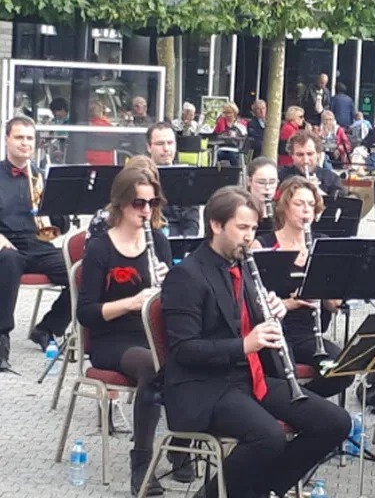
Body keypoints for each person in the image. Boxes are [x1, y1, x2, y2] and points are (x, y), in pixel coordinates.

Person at [162, 186, 350, 498]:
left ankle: (261, 488)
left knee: (335, 422)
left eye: (252, 229)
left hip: (250, 376)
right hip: (205, 386)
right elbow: (184, 350)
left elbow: (248, 318)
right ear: (216, 225)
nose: (249, 237)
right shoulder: (186, 276)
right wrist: (245, 345)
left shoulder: (242, 264)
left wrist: (273, 309)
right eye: (242, 228)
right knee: (268, 436)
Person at [78, 167, 194, 495]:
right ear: (120, 203)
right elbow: (86, 313)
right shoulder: (101, 248)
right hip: (111, 339)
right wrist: (132, 302)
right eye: (138, 203)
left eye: (151, 203)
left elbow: (172, 303)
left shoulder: (157, 240)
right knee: (153, 365)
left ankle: (181, 444)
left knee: (189, 357)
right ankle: (141, 460)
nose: (146, 211)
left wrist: (169, 282)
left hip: (151, 334)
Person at [251, 177, 354, 398]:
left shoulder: (322, 244)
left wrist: (326, 294)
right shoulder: (263, 245)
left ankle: (303, 401)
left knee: (342, 370)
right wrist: (291, 302)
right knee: (279, 371)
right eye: (299, 204)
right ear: (284, 207)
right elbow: (251, 301)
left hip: (309, 335)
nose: (306, 210)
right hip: (275, 331)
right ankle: (296, 405)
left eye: (310, 204)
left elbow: (334, 305)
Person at [0, 117, 70, 369]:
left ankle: (48, 328)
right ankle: (1, 341)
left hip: (39, 245)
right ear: (7, 139)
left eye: (29, 138)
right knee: (8, 260)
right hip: (6, 247)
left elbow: (61, 227)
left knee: (82, 271)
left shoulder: (42, 176)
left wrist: (60, 209)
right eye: (19, 137)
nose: (25, 143)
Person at [85, 155, 163, 247]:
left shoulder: (158, 224)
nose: (146, 209)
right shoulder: (102, 220)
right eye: (138, 202)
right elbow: (91, 255)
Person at [147, 122, 200, 237]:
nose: (166, 148)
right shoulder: (139, 176)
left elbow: (192, 220)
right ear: (149, 147)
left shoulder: (187, 176)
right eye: (160, 144)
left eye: (170, 143)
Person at [279, 130, 345, 197]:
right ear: (292, 155)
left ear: (318, 154)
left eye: (310, 154)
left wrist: (317, 191)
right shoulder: (281, 176)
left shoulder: (332, 179)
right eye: (300, 155)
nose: (305, 160)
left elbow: (338, 204)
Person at [246, 156, 280, 237]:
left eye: (272, 182)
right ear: (249, 181)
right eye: (261, 182)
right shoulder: (241, 209)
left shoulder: (281, 211)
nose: (267, 187)